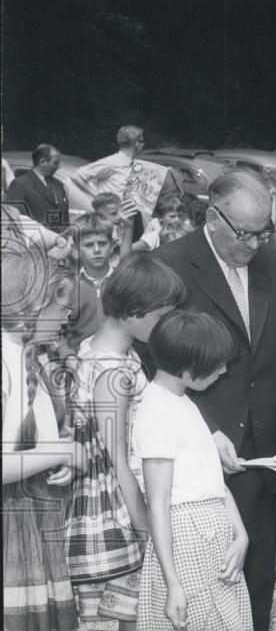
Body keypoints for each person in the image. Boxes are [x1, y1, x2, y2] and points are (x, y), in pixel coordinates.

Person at [151, 168, 276, 630]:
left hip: (262, 455)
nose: (254, 244)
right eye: (244, 234)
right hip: (200, 452)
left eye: (264, 233)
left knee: (258, 574)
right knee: (204, 582)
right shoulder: (170, 265)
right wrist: (206, 432)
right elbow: (153, 365)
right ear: (212, 216)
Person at [69, 254, 186, 627]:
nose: (166, 323)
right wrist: (145, 529)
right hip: (121, 511)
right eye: (161, 314)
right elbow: (116, 460)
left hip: (125, 501)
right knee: (133, 615)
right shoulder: (110, 371)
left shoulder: (101, 351)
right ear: (135, 311)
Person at [134, 309, 251, 631]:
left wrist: (240, 534)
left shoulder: (184, 402)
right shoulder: (156, 410)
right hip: (185, 537)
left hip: (214, 529)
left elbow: (215, 482)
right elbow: (158, 504)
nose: (224, 370)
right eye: (217, 365)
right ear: (187, 369)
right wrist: (172, 585)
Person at [2, 250, 84, 631]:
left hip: (33, 523)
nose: (67, 314)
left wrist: (58, 463)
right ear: (28, 307)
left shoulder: (30, 359)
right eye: (58, 303)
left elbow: (43, 447)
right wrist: (61, 452)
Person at [65, 213, 118, 351]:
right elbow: (57, 333)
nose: (96, 250)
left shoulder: (123, 281)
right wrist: (68, 356)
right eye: (88, 245)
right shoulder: (68, 287)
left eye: (102, 243)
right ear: (76, 249)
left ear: (112, 245)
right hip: (79, 362)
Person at [3, 143, 70, 228]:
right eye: (55, 163)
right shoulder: (19, 185)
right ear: (42, 162)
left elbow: (65, 221)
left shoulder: (59, 186)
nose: (59, 167)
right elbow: (19, 222)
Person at [73, 125, 145, 198]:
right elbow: (77, 176)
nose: (144, 144)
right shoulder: (113, 162)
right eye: (142, 141)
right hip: (111, 208)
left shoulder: (134, 164)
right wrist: (98, 196)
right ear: (136, 143)